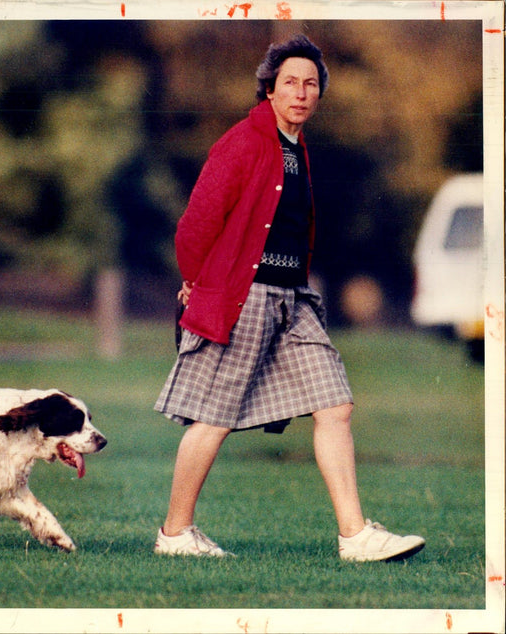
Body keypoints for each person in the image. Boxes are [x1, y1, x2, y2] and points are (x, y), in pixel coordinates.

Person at [153, 34, 425, 562]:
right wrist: (196, 280)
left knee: (336, 404)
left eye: (310, 84)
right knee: (215, 416)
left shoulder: (297, 148)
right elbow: (194, 227)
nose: (300, 93)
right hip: (242, 297)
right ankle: (174, 534)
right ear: (270, 92)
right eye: (289, 84)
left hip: (294, 298)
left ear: (319, 94)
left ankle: (355, 536)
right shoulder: (243, 142)